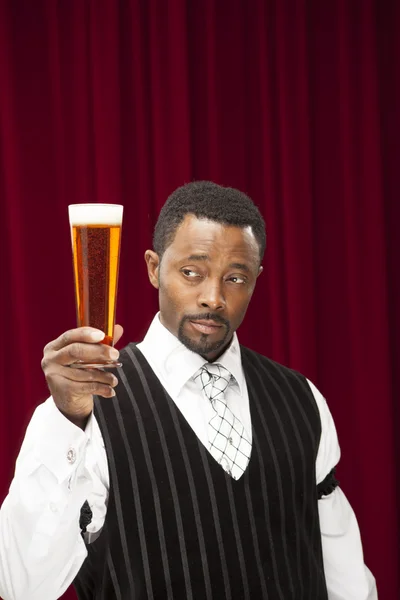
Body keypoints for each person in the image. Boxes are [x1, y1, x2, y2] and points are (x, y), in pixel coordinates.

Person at [0, 181, 377, 600]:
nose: (213, 298)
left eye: (235, 277)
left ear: (256, 279)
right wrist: (66, 420)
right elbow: (23, 586)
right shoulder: (86, 410)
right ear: (152, 267)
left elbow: (347, 579)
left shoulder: (302, 399)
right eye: (191, 272)